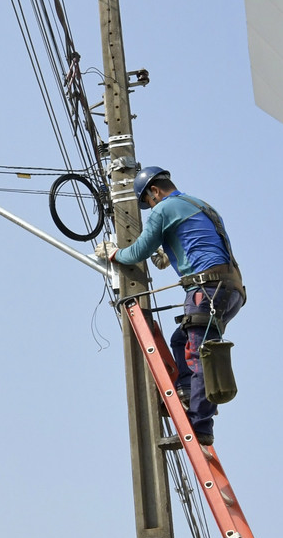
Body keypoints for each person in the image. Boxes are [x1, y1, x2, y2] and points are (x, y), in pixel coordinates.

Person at [99, 167, 245, 445]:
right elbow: (199, 241)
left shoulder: (164, 208)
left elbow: (138, 251)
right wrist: (169, 248)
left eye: (149, 201)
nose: (151, 207)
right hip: (231, 291)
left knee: (199, 354)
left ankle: (200, 426)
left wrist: (115, 254)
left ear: (155, 191)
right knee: (182, 340)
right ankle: (188, 391)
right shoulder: (200, 204)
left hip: (206, 289)